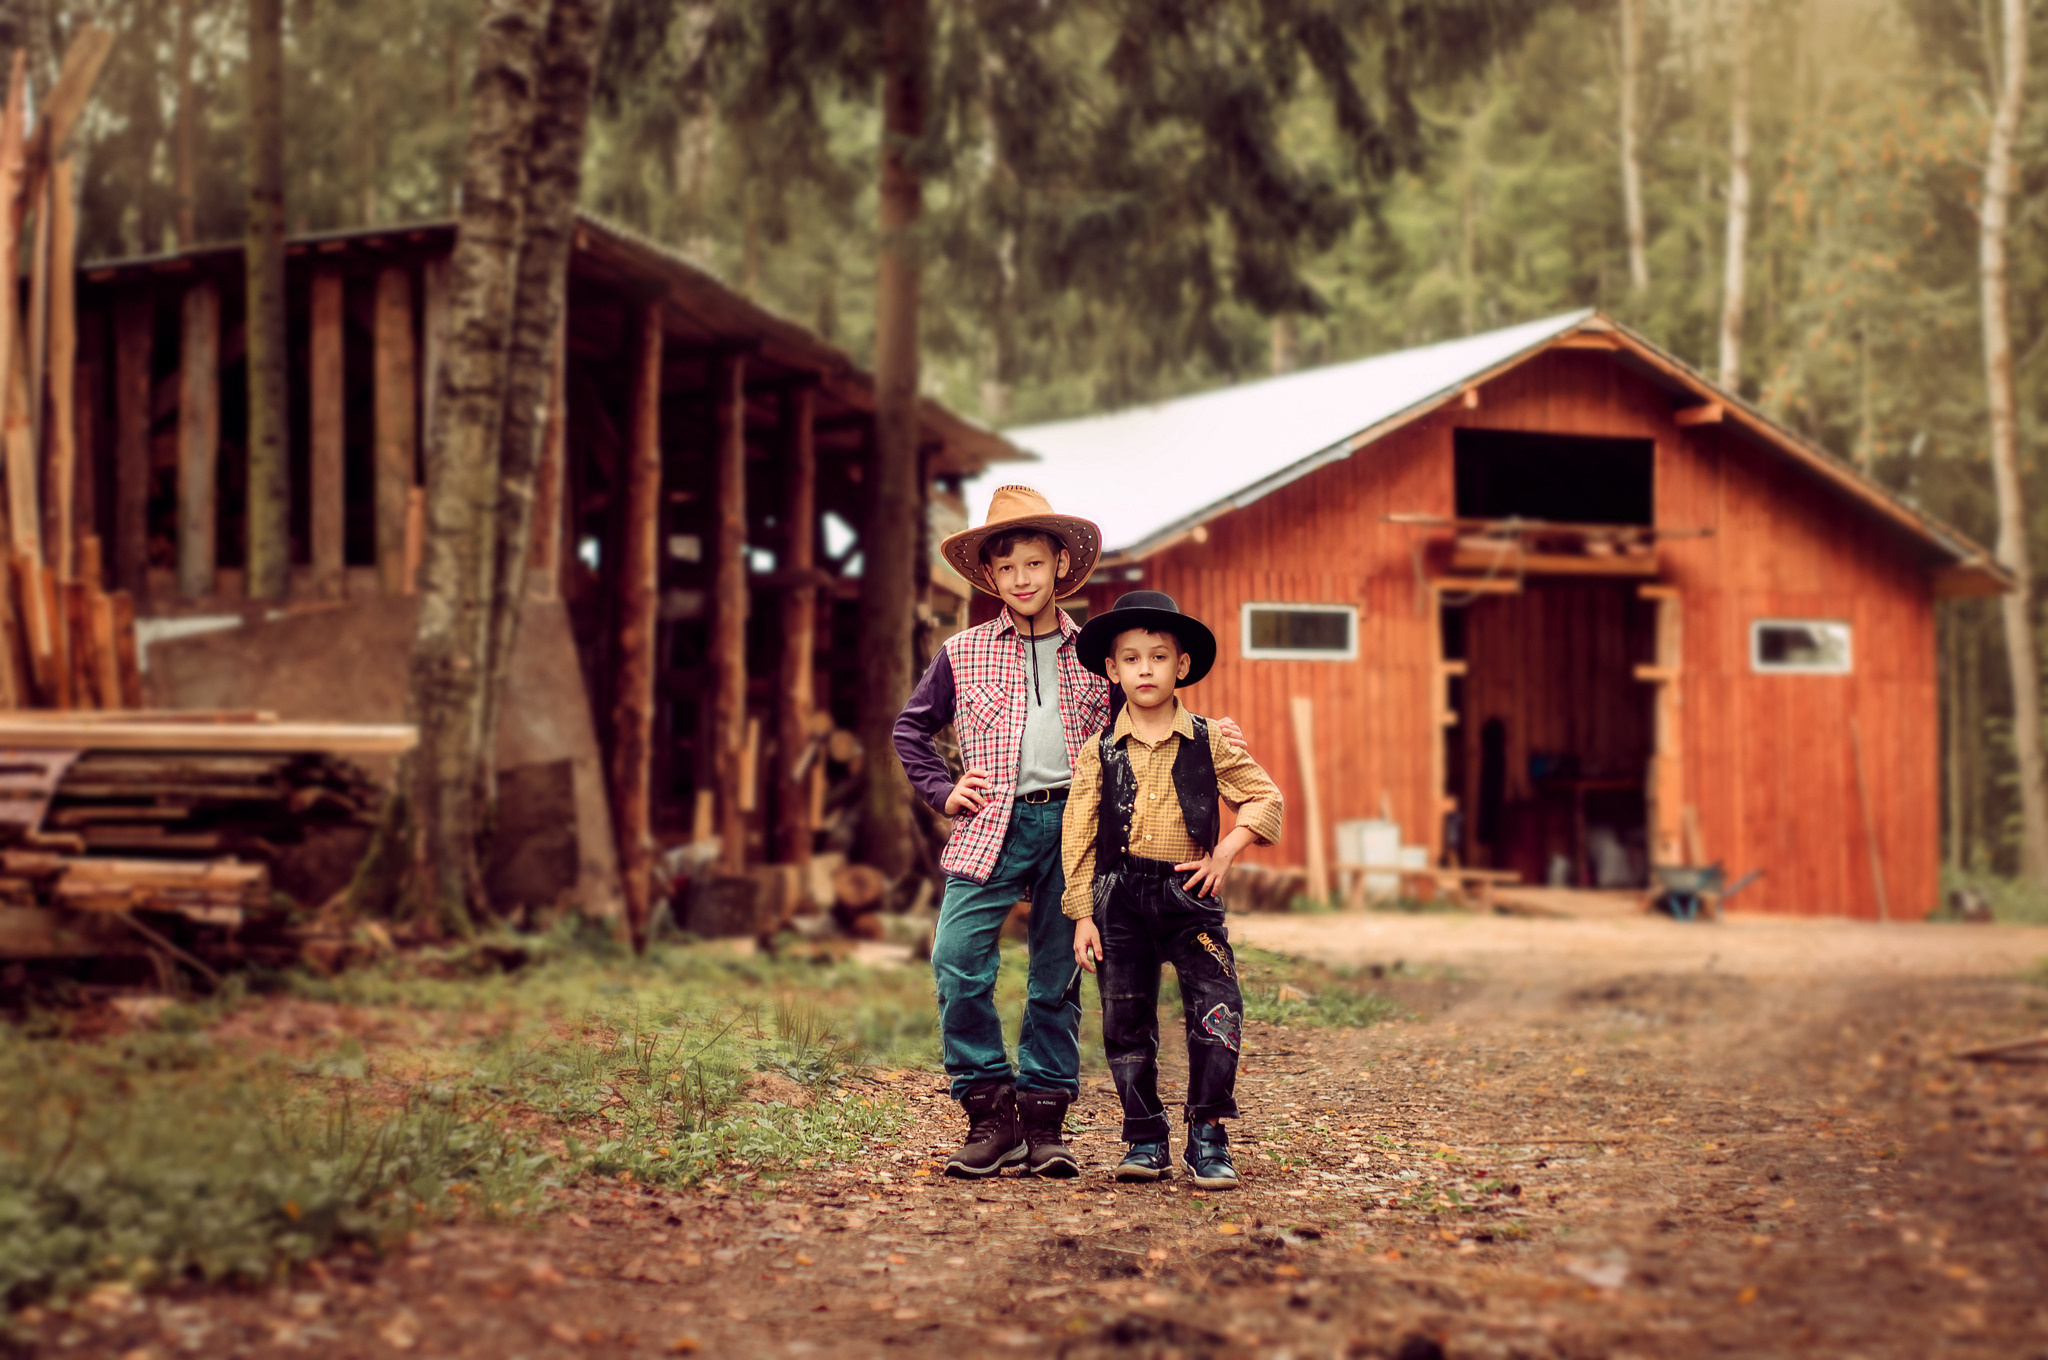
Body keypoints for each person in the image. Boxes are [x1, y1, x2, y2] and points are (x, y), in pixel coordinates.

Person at [893, 488, 1247, 1178]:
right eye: (1007, 568)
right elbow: (912, 729)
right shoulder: (961, 652)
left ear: (1060, 564)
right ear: (990, 578)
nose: (1022, 578)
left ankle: (1045, 1121)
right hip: (991, 821)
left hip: (1080, 830)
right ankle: (989, 1114)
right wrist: (943, 787)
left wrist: (1209, 732)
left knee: (1055, 979)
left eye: (1034, 562)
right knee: (955, 961)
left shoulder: (1096, 653)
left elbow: (1150, 711)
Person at [1062, 591, 1283, 1188]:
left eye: (1158, 656)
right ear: (1113, 670)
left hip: (1190, 898)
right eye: (1130, 659)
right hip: (1121, 898)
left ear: (1180, 665)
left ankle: (1208, 1135)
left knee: (1219, 1009)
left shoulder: (1211, 740)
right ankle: (1144, 1136)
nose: (1145, 669)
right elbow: (1078, 836)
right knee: (1124, 1019)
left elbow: (1266, 799)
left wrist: (1226, 852)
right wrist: (1083, 915)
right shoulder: (1098, 751)